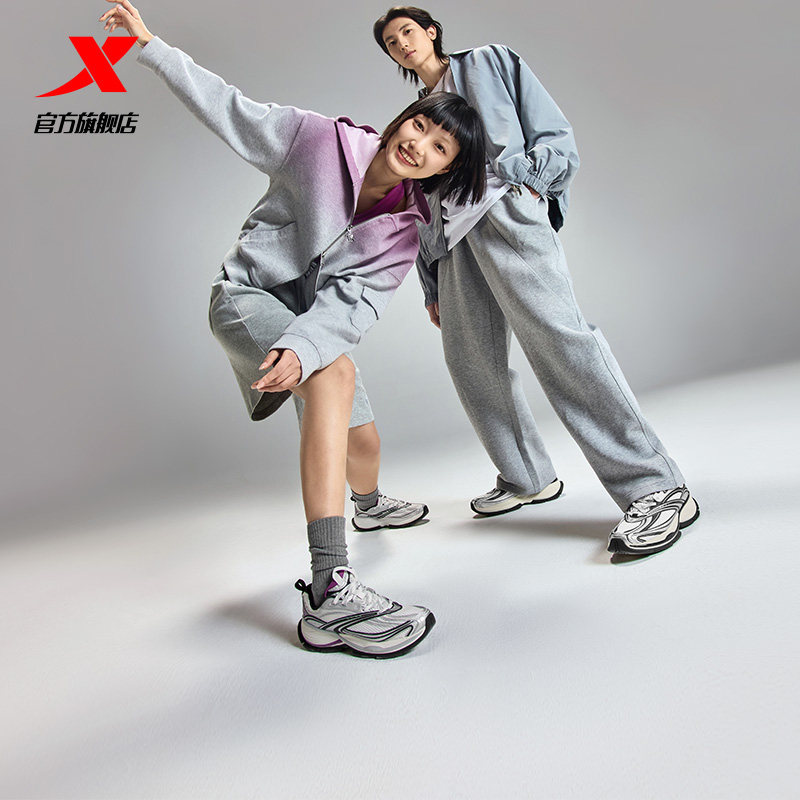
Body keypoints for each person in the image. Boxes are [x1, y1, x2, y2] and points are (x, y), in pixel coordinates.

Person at [100, 0, 487, 657]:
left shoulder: (404, 231)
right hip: (246, 296)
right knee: (334, 377)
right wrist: (151, 46)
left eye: (439, 148)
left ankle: (369, 504)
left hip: (309, 324)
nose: (419, 144)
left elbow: (355, 306)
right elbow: (228, 108)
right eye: (420, 124)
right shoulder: (317, 141)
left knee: (363, 441)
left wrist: (305, 344)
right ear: (404, 118)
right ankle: (330, 591)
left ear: (443, 169)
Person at [373, 7, 700, 556]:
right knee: (470, 363)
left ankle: (656, 486)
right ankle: (527, 476)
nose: (401, 43)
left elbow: (551, 129)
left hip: (504, 214)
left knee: (560, 343)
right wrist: (430, 282)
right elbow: (419, 199)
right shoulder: (417, 116)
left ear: (430, 31)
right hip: (453, 245)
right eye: (390, 41)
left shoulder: (490, 62)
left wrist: (533, 179)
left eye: (407, 30)